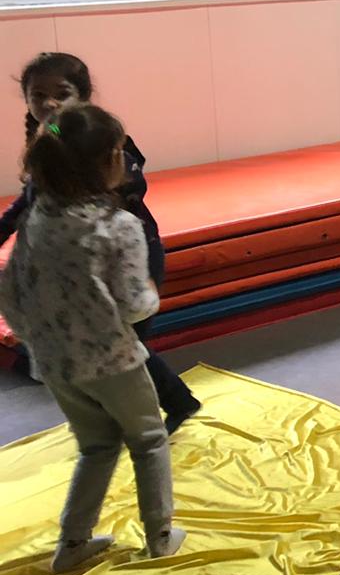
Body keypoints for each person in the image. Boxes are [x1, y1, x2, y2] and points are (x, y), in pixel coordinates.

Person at [0, 104, 186, 572]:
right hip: (113, 361)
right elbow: (134, 304)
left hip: (55, 364)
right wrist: (150, 293)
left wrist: (34, 338)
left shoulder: (36, 218)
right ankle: (160, 535)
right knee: (148, 439)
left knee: (96, 446)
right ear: (109, 162)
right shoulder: (118, 227)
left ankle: (72, 542)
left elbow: (10, 288)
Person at [2, 52, 201, 433]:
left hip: (129, 252)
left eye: (61, 93)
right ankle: (156, 408)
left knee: (124, 344)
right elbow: (27, 200)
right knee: (115, 345)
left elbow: (129, 194)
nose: (49, 103)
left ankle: (160, 413)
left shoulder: (103, 141)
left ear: (83, 94)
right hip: (82, 260)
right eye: (38, 95)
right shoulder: (47, 145)